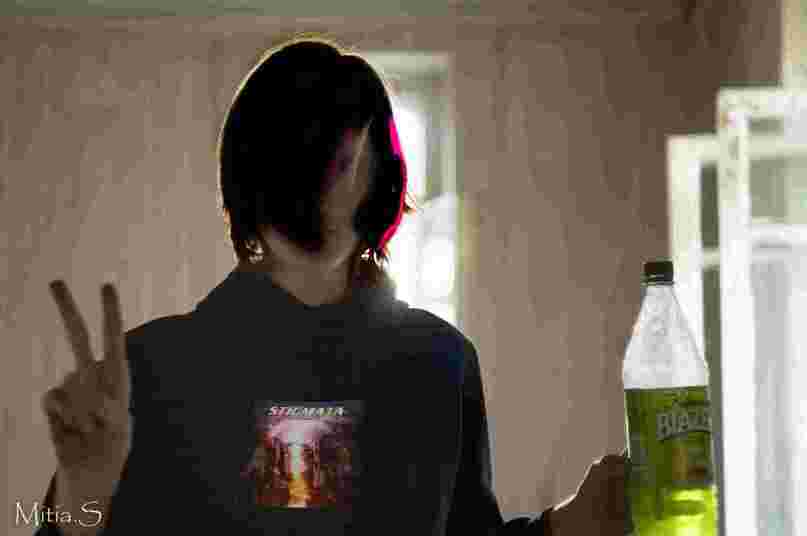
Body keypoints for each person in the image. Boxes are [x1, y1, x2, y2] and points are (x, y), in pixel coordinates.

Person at [37, 35, 627, 536]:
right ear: (248, 170)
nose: (326, 160)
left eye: (343, 143)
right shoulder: (146, 374)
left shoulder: (439, 364)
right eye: (300, 138)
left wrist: (568, 525)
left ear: (382, 176)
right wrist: (79, 497)